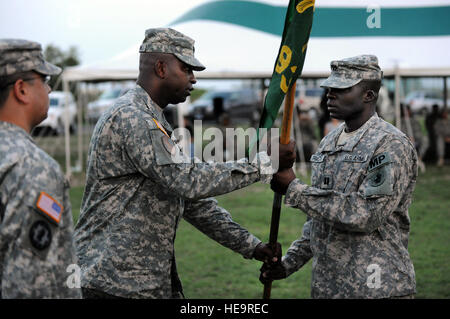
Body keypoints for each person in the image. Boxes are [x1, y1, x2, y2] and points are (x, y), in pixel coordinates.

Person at [74, 28, 294, 299]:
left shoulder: (153, 121)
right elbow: (188, 180)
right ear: (161, 68)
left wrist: (251, 246)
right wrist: (266, 163)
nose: (193, 79)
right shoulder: (131, 118)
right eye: (187, 69)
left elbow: (191, 201)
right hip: (114, 284)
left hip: (143, 283)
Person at [260, 55, 418, 299]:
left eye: (341, 89)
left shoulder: (389, 144)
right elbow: (320, 219)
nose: (330, 95)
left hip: (376, 288)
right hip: (329, 287)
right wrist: (288, 263)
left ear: (369, 95)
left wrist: (294, 189)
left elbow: (366, 214)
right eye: (330, 88)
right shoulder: (329, 142)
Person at [0, 39, 81, 298]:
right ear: (21, 90)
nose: (48, 89)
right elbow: (32, 284)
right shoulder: (32, 166)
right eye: (44, 79)